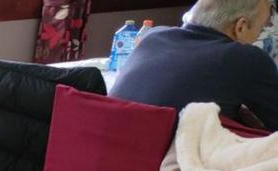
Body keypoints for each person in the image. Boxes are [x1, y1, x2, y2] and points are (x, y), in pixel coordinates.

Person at [111, 0, 278, 130]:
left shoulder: (152, 37)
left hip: (111, 160)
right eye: (261, 28)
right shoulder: (246, 58)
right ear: (240, 27)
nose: (260, 35)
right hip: (172, 168)